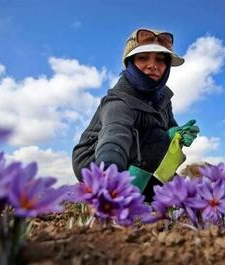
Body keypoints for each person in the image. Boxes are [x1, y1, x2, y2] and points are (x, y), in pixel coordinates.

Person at [72, 28, 199, 201]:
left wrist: (178, 133)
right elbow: (114, 135)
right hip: (95, 161)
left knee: (178, 192)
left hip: (139, 152)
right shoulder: (119, 101)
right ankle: (117, 196)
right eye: (143, 57)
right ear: (130, 62)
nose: (152, 65)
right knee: (159, 140)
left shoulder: (163, 99)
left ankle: (140, 193)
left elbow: (168, 127)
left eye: (161, 60)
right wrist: (109, 176)